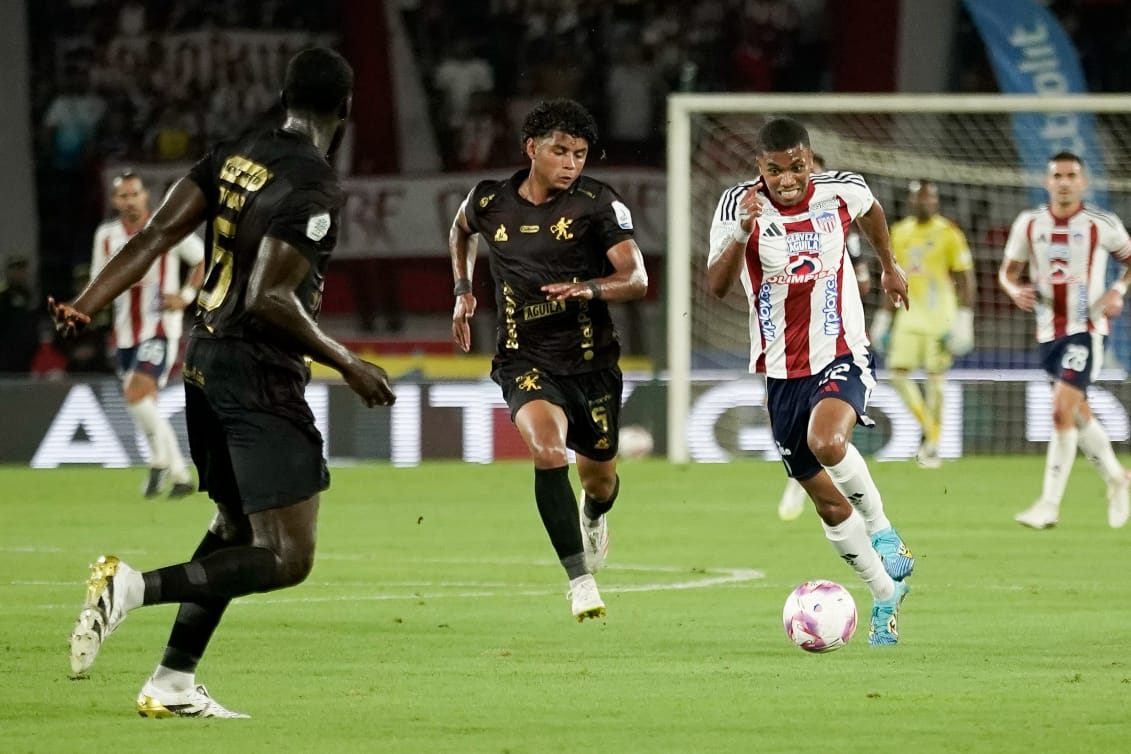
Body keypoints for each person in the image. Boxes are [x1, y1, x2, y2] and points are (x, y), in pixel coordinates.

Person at [50, 47, 396, 718]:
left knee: (235, 524)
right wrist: (349, 363)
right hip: (258, 375)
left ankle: (172, 682)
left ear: (284, 97)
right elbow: (270, 298)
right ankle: (130, 589)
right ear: (346, 108)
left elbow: (154, 235)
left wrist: (86, 304)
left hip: (204, 361)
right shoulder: (313, 186)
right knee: (287, 557)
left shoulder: (238, 153)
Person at [706, 117, 914, 646]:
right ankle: (885, 595)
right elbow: (716, 286)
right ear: (760, 167)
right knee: (827, 503)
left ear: (809, 159)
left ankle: (884, 531)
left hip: (841, 349)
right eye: (775, 170)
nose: (787, 179)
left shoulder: (841, 190)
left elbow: (872, 211)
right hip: (780, 373)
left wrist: (889, 266)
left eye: (796, 167)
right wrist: (741, 232)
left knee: (827, 441)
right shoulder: (736, 206)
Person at [449, 98, 648, 622]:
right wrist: (463, 289)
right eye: (560, 151)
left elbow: (636, 278)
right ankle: (580, 581)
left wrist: (589, 288)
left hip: (591, 364)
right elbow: (460, 229)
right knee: (547, 450)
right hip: (523, 359)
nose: (571, 163)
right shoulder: (489, 200)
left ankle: (593, 514)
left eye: (579, 154)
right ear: (531, 149)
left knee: (600, 482)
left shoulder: (597, 204)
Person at [999, 151, 1131, 530]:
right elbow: (1008, 273)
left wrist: (1118, 291)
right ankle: (1117, 478)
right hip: (1047, 333)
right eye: (1058, 175)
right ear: (1047, 182)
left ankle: (1049, 505)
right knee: (1076, 413)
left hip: (1086, 330)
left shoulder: (1101, 224)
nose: (1065, 182)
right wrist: (1014, 290)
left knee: (1061, 409)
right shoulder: (1029, 224)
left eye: (1072, 175)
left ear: (1083, 182)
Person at [92, 170, 205, 497]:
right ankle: (159, 463)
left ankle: (178, 472)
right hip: (124, 332)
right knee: (141, 404)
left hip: (159, 329)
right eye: (123, 196)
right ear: (115, 201)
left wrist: (185, 296)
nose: (130, 201)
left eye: (135, 194)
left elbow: (203, 260)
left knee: (135, 394)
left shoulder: (167, 227)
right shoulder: (106, 236)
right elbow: (99, 278)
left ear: (145, 197)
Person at [776, 152, 872, 520]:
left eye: (807, 171)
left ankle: (872, 518)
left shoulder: (838, 220)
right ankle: (801, 474)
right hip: (788, 344)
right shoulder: (771, 223)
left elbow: (863, 277)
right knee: (787, 414)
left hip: (835, 338)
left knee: (831, 424)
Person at [869, 179, 976, 469]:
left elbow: (966, 278)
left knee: (936, 382)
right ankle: (931, 430)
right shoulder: (899, 232)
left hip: (941, 318)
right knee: (897, 374)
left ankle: (931, 445)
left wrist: (964, 319)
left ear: (937, 202)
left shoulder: (949, 233)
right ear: (911, 201)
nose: (926, 202)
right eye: (921, 198)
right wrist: (883, 318)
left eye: (930, 198)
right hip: (908, 316)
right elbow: (891, 276)